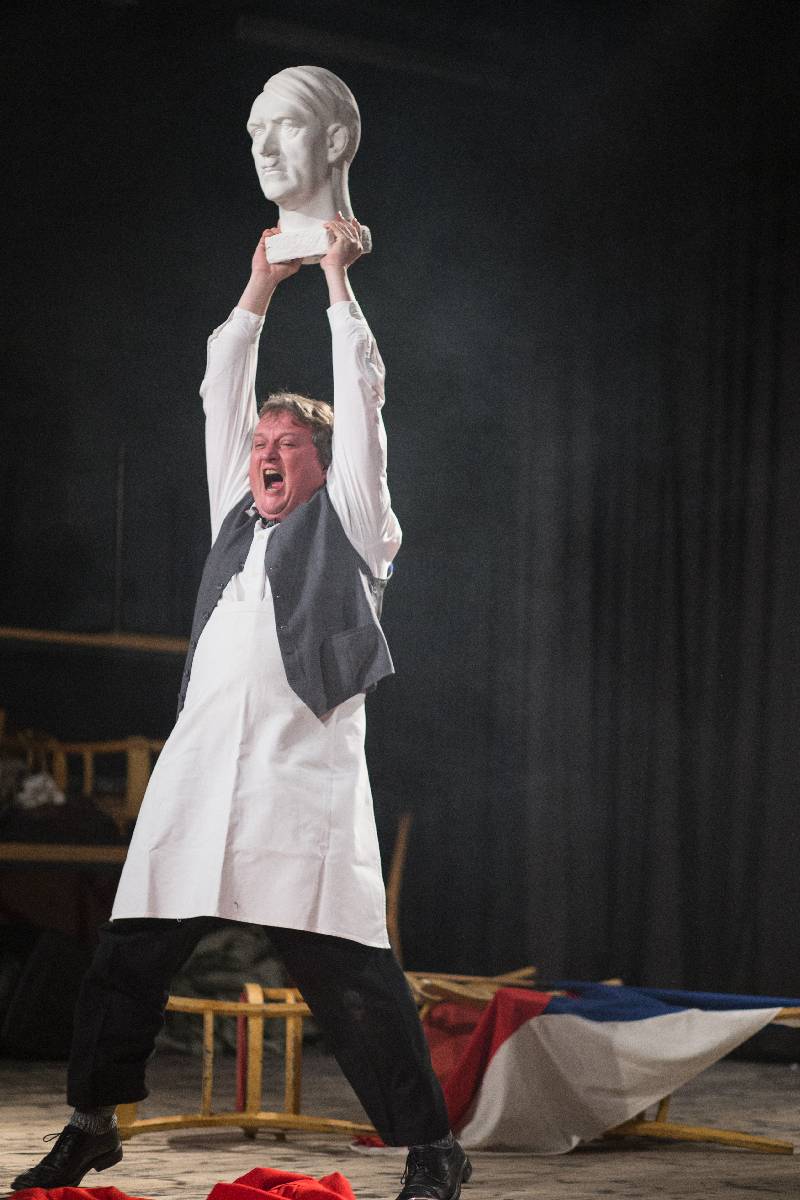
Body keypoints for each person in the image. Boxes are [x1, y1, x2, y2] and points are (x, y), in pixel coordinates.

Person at [10, 220, 471, 1200]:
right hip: (196, 776)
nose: (266, 452)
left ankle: (433, 1150)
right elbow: (223, 384)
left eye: (288, 444)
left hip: (296, 788)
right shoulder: (234, 509)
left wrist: (337, 282)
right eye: (261, 443)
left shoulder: (357, 524)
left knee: (351, 981)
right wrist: (260, 282)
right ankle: (92, 1125)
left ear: (324, 464)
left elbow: (363, 402)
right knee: (126, 960)